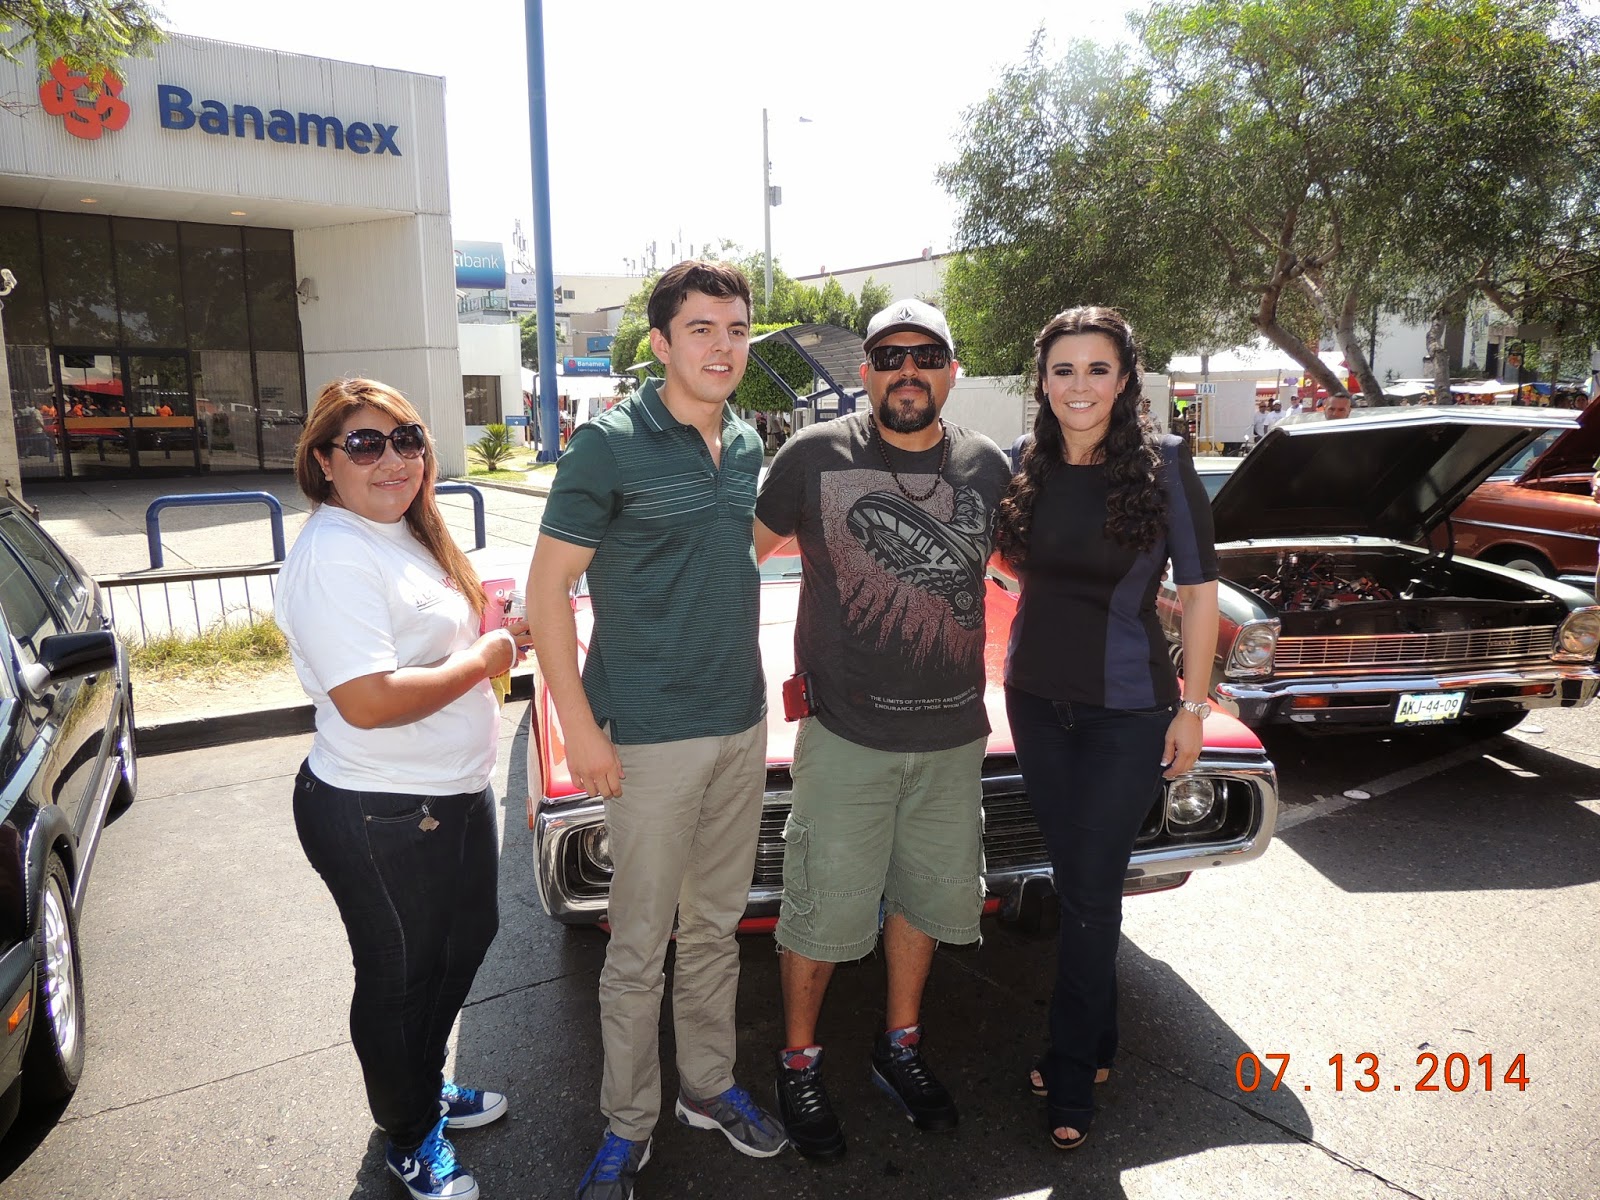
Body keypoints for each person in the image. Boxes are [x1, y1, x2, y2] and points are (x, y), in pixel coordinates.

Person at [528, 261, 786, 1200]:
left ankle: (706, 1087)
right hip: (645, 734)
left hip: (739, 723)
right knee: (638, 945)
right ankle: (627, 1122)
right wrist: (581, 729)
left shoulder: (746, 443)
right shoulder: (608, 447)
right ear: (661, 343)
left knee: (714, 927)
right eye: (702, 328)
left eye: (736, 329)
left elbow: (732, 552)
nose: (723, 346)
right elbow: (546, 594)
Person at [754, 298, 1011, 1158]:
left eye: (926, 356)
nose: (909, 371)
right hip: (846, 737)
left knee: (925, 901)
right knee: (821, 908)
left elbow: (1029, 571)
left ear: (951, 371)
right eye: (890, 357)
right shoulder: (813, 455)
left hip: (953, 740)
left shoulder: (986, 466)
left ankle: (899, 1046)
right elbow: (736, 557)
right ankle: (799, 1062)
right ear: (865, 373)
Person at [276, 378, 519, 1200]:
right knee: (400, 976)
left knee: (467, 941)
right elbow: (369, 701)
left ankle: (420, 1085)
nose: (393, 459)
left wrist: (492, 631)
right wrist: (485, 660)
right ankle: (410, 1134)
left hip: (452, 791)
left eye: (407, 438)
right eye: (365, 443)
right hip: (379, 807)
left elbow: (426, 643)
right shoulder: (334, 553)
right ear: (324, 461)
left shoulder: (405, 531)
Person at [995, 307, 1219, 1151]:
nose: (1079, 385)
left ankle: (1069, 1068)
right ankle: (1101, 1043)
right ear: (1042, 381)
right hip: (1034, 702)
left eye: (1097, 369)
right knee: (1079, 883)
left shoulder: (1166, 465)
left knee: (1090, 894)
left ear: (1125, 380)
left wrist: (1193, 708)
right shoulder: (1027, 461)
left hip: (1127, 712)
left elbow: (1198, 593)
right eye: (1063, 370)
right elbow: (1008, 563)